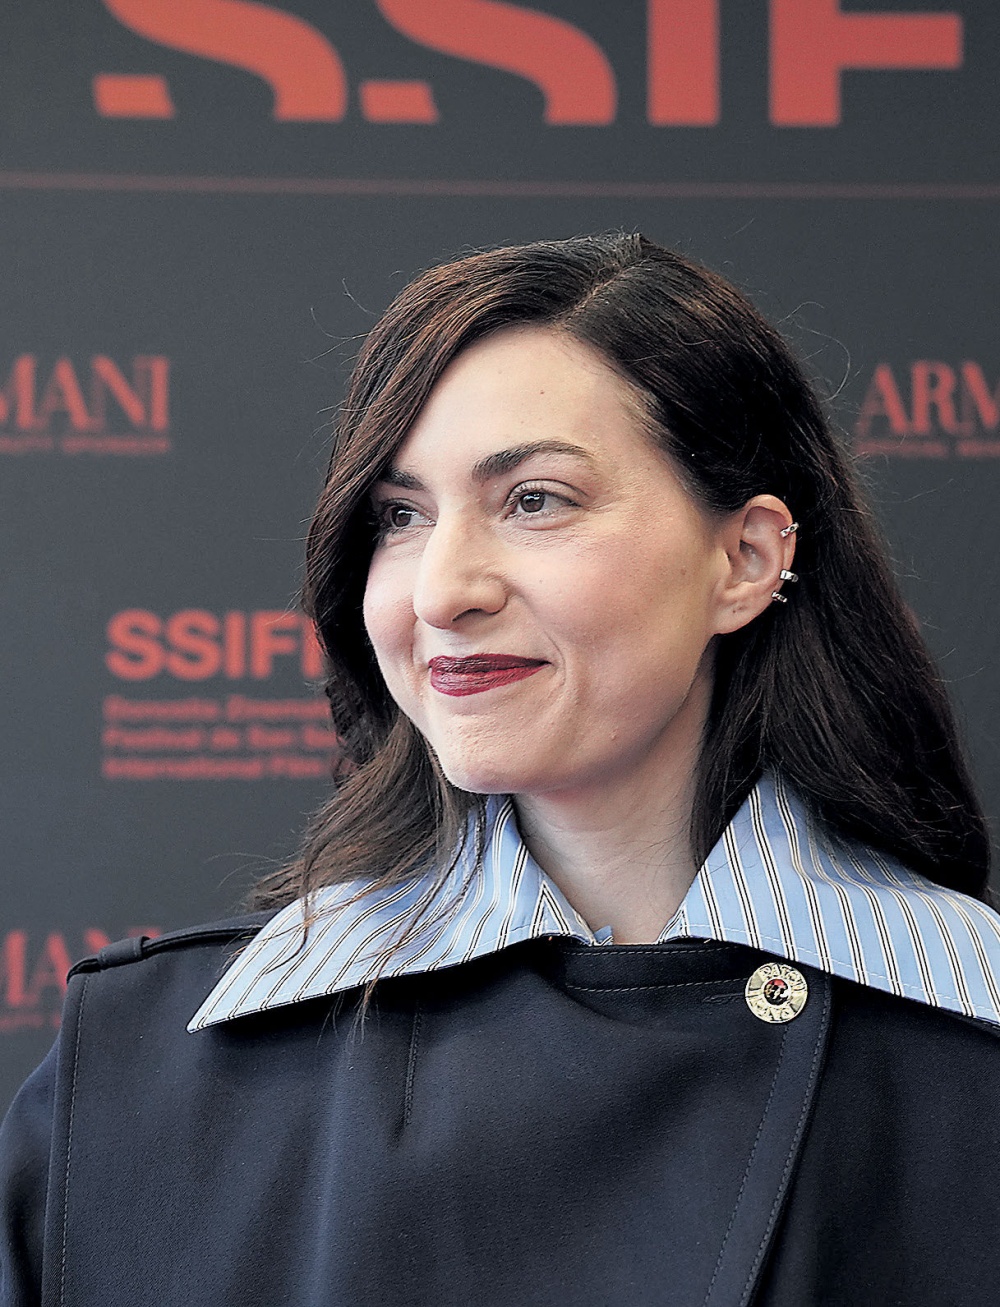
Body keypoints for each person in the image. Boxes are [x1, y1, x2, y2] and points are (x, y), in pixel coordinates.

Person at [2, 232, 999, 1306]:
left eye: (535, 499)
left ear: (744, 560)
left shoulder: (968, 1048)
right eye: (401, 516)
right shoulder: (137, 1078)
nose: (442, 589)